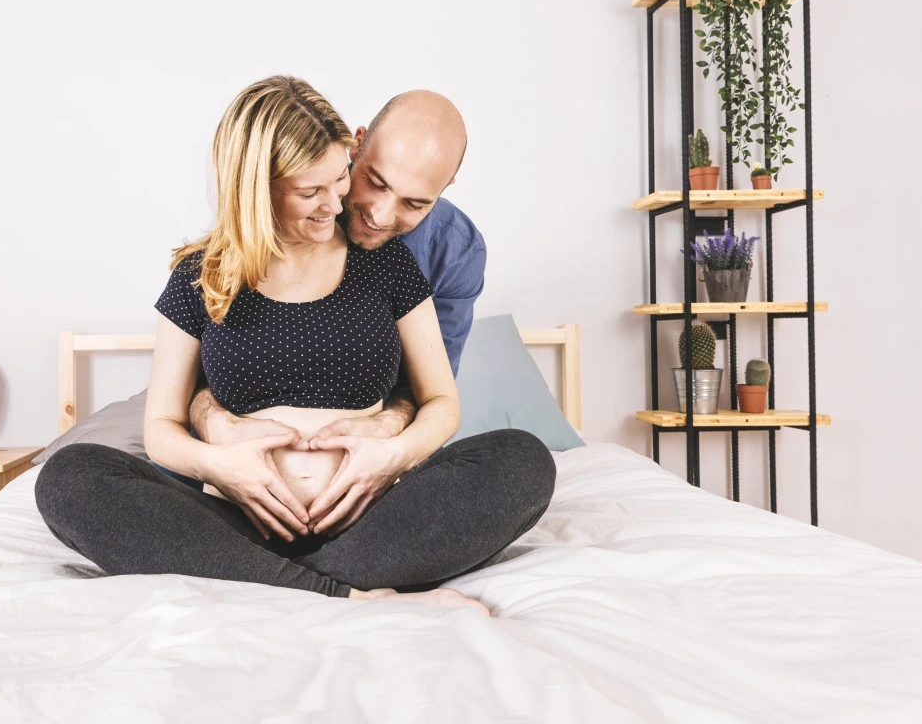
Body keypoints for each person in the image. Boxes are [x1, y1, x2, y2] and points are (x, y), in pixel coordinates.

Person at [35, 77, 555, 612]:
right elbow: (161, 428)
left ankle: (264, 583)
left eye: (338, 183)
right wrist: (221, 466)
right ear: (263, 187)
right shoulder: (203, 273)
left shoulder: (391, 262)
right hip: (239, 518)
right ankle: (347, 595)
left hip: (373, 517)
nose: (347, 208)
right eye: (316, 191)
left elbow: (441, 402)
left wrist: (391, 452)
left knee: (523, 461)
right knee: (70, 478)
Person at [188, 89, 497, 536]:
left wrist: (386, 438)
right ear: (356, 145)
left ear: (444, 189)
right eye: (375, 181)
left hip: (371, 490)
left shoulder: (450, 251)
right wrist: (216, 426)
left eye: (415, 203)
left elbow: (433, 393)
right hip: (238, 484)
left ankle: (335, 568)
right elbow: (209, 371)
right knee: (87, 476)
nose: (379, 214)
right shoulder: (280, 213)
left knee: (517, 459)